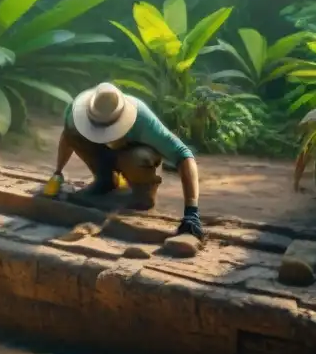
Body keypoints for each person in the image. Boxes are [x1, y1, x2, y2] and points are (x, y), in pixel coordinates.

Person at [47, 82, 204, 240]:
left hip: (131, 155)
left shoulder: (143, 121)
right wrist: (58, 172)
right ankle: (105, 180)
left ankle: (143, 193)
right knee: (74, 135)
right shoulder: (75, 113)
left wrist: (191, 211)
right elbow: (67, 139)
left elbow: (184, 155)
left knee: (139, 157)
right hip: (102, 153)